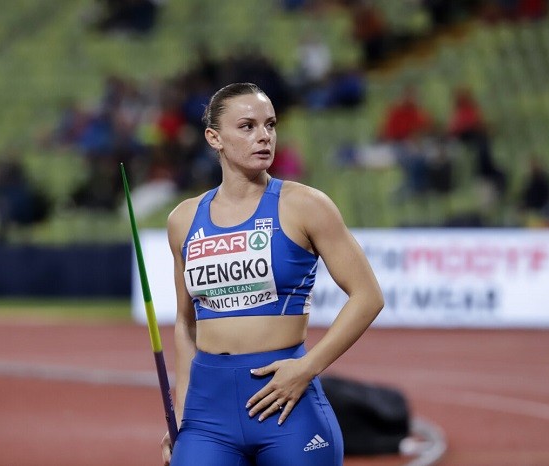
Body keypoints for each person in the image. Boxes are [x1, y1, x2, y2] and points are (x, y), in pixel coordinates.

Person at [161, 82, 384, 466]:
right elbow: (186, 322)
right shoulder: (183, 219)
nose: (264, 136)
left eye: (270, 124)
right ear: (214, 138)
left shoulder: (306, 205)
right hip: (207, 412)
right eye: (247, 126)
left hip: (285, 402)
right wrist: (180, 412)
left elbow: (368, 296)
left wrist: (307, 367)